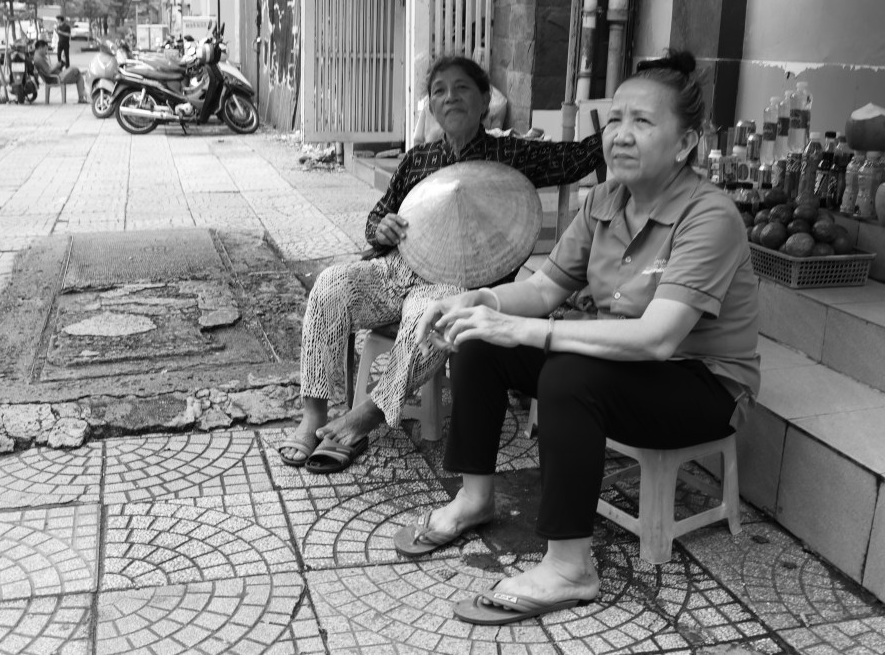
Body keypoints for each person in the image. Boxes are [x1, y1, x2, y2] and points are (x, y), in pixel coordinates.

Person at [401, 49, 760, 625]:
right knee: (480, 341)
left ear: (687, 143)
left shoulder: (708, 216)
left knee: (567, 372)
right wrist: (481, 302)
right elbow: (544, 289)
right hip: (626, 366)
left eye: (642, 122)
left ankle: (571, 567)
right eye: (615, 119)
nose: (620, 135)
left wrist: (526, 328)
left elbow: (658, 340)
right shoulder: (605, 200)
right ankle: (474, 497)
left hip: (703, 386)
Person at [277, 55, 604, 472]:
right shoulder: (418, 160)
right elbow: (376, 217)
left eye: (462, 88)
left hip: (457, 283)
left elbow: (575, 157)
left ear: (485, 99)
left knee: (426, 319)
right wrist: (383, 228)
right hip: (397, 269)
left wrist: (622, 127)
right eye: (439, 91)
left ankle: (367, 415)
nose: (450, 97)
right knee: (331, 284)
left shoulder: (510, 153)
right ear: (431, 106)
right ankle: (314, 417)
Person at [32, 39, 87, 103]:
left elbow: (49, 69)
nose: (46, 51)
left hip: (57, 75)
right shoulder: (38, 58)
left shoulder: (40, 56)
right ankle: (80, 72)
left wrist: (58, 66)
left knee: (79, 77)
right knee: (74, 69)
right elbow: (48, 71)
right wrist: (56, 65)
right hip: (55, 78)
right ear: (40, 48)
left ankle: (81, 98)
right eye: (45, 49)